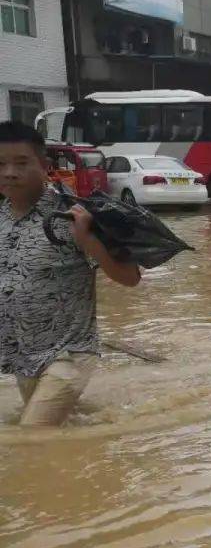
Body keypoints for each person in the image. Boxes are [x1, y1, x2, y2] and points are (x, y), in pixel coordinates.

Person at [0, 121, 141, 427]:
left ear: (45, 165)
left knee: (31, 434)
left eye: (21, 163)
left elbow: (130, 277)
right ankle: (104, 430)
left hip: (69, 354)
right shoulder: (2, 219)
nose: (9, 172)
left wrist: (89, 242)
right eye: (1, 164)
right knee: (59, 428)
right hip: (22, 354)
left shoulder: (75, 216)